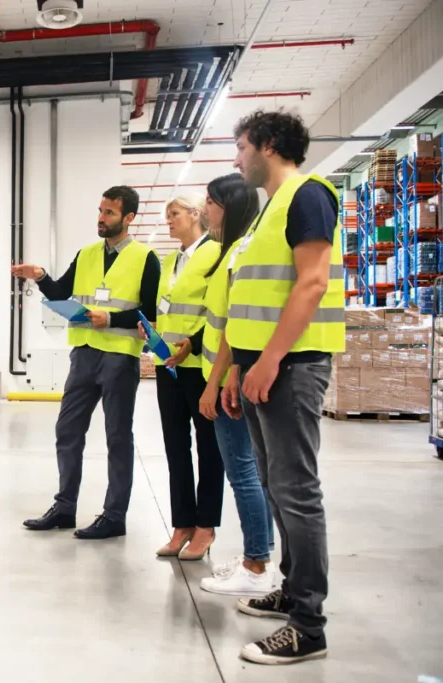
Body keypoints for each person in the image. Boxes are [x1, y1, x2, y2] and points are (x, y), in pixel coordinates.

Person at [223, 111, 344, 665]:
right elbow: (250, 299)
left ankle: (308, 626)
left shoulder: (307, 195)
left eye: (242, 146)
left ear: (269, 145)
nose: (236, 157)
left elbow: (313, 281)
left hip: (291, 367)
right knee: (276, 485)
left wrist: (269, 360)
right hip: (262, 369)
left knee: (297, 491)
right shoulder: (265, 212)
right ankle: (293, 590)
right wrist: (237, 367)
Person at [13, 186, 161, 539]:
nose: (101, 218)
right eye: (100, 211)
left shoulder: (146, 258)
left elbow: (152, 315)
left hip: (120, 359)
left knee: (117, 437)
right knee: (67, 430)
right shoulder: (87, 254)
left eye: (109, 213)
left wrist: (109, 320)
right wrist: (40, 276)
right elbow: (62, 292)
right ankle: (65, 507)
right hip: (83, 355)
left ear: (128, 218)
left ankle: (114, 516)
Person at [192, 174, 276, 597]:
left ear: (230, 206)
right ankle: (257, 556)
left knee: (243, 472)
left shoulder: (237, 254)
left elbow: (230, 329)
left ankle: (256, 565)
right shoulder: (230, 253)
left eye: (210, 202)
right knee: (251, 472)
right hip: (227, 377)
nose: (204, 209)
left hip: (228, 382)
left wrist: (217, 382)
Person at [139, 194, 224, 561]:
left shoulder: (215, 253)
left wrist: (194, 342)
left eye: (173, 214)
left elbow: (217, 310)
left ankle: (206, 526)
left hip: (201, 366)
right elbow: (166, 308)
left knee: (209, 449)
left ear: (195, 214)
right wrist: (153, 331)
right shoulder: (170, 260)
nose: (169, 221)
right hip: (168, 365)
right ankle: (182, 524)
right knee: (175, 448)